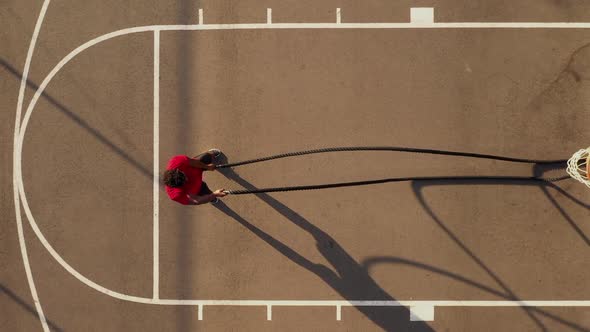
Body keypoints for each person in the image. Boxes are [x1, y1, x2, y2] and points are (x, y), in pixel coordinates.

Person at [163, 149, 227, 205]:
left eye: (184, 176)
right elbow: (196, 201)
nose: (187, 179)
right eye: (184, 181)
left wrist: (208, 167)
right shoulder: (175, 195)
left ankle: (210, 154)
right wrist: (214, 195)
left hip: (197, 168)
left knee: (206, 157)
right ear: (177, 187)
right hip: (198, 188)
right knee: (207, 193)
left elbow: (193, 162)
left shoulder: (176, 161)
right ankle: (211, 198)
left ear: (177, 170)